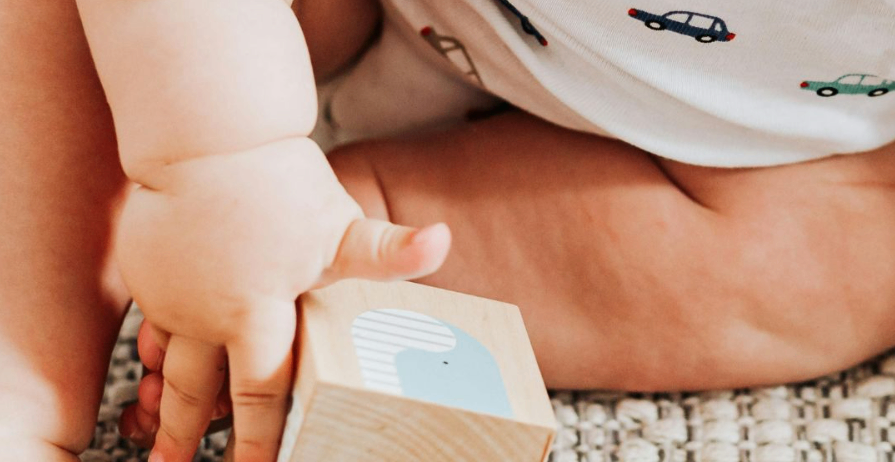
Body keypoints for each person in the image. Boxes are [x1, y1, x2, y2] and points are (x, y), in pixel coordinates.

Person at [1, 0, 893, 461]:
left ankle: (353, 226)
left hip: (767, 127)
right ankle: (24, 381)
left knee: (849, 255)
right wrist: (215, 152)